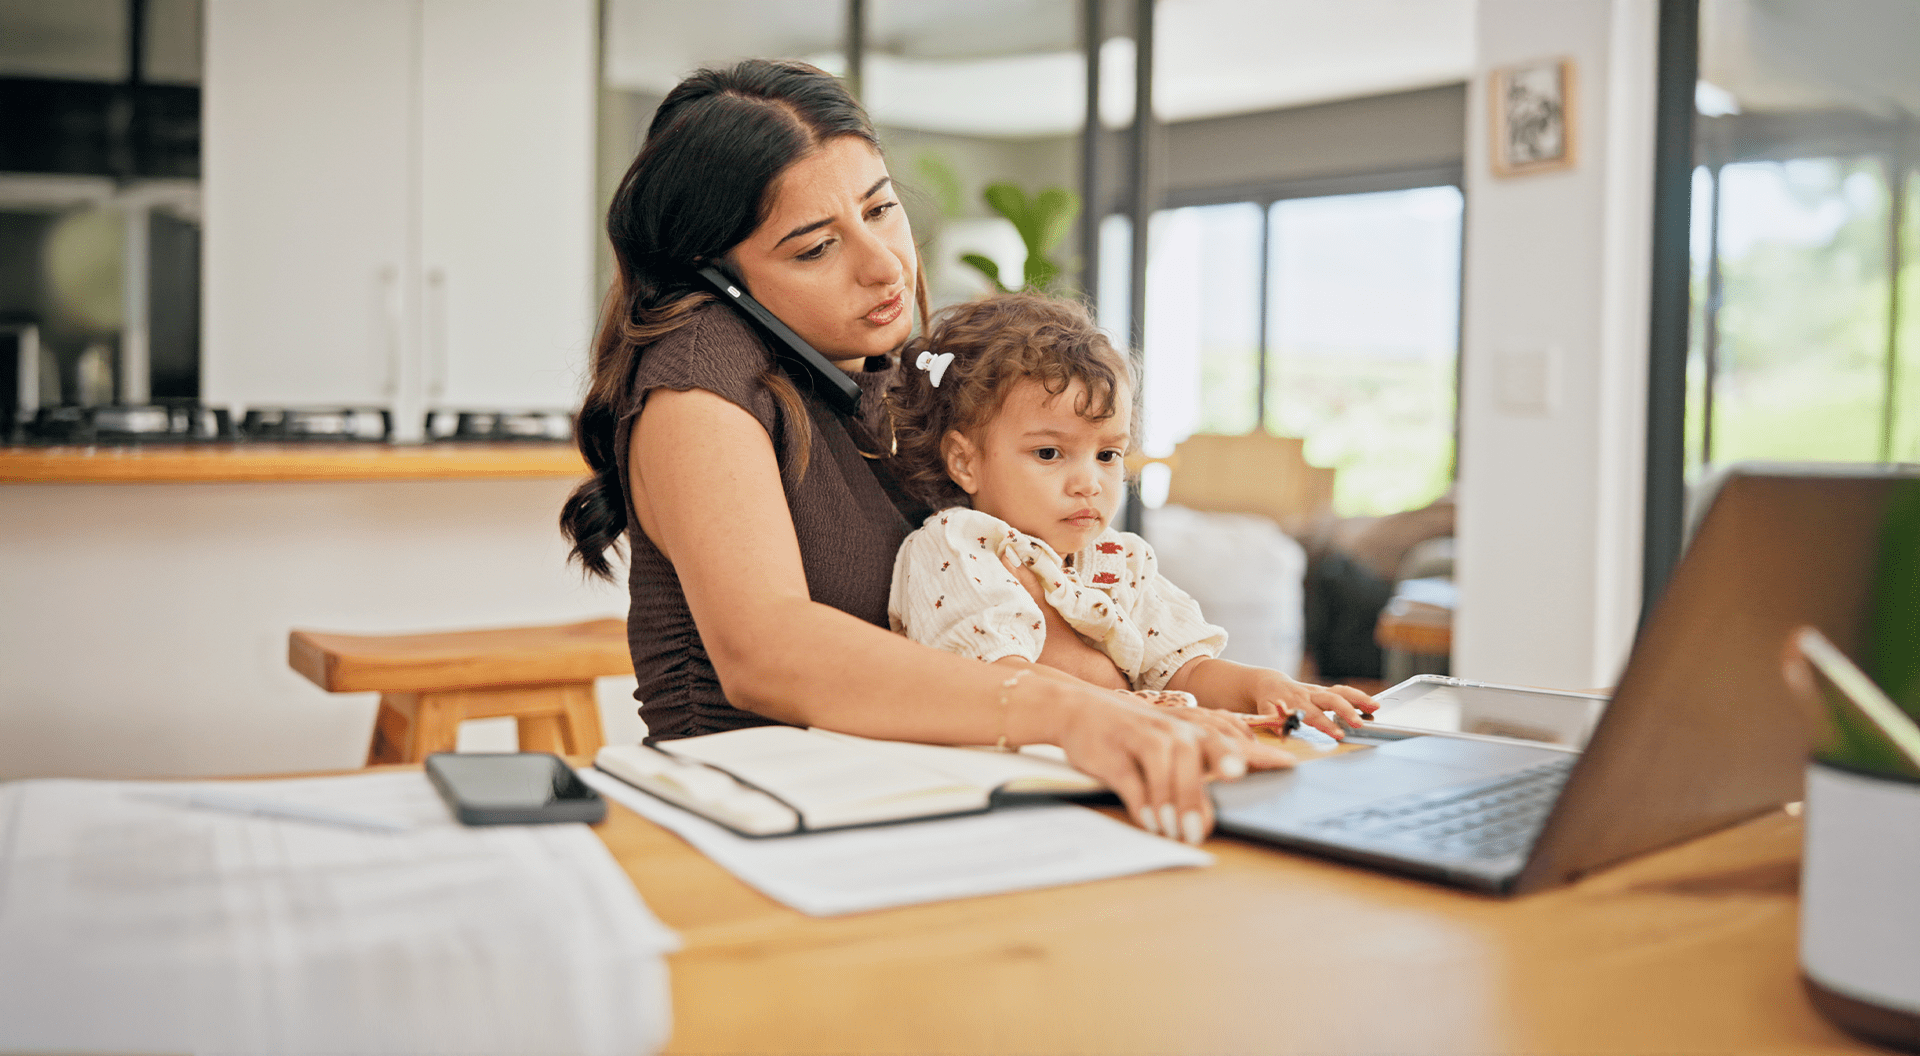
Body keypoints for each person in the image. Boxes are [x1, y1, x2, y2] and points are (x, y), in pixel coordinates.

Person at [561, 58, 1291, 846]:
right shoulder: (698, 380)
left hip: (917, 800)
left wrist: (1168, 694)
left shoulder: (879, 373)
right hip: (757, 827)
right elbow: (766, 651)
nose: (883, 265)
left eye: (880, 209)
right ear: (716, 275)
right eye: (814, 250)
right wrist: (1066, 709)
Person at [884, 293, 1377, 741]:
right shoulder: (957, 545)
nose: (1089, 482)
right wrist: (1144, 714)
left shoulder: (1118, 559)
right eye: (1051, 453)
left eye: (1107, 455)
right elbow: (1001, 679)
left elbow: (1184, 669)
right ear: (965, 461)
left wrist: (1265, 686)